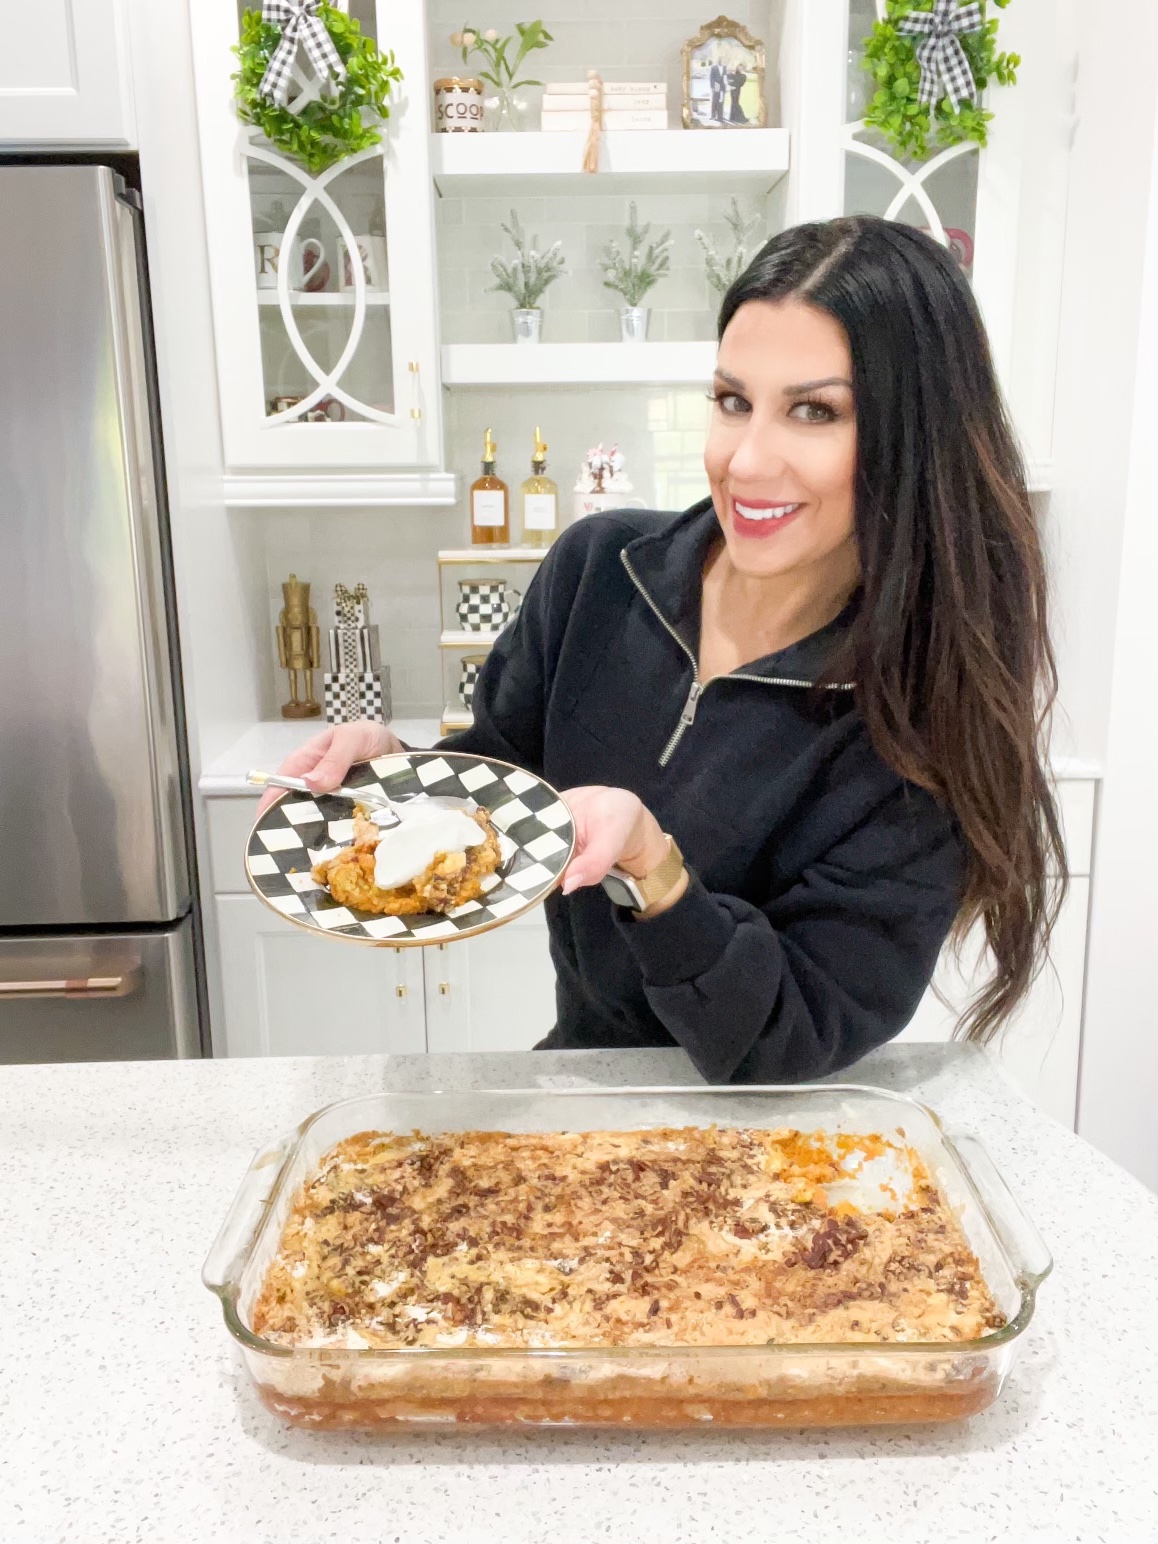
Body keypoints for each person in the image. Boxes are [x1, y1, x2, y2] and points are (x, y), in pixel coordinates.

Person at [268, 217, 1065, 1085]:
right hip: (584, 1087)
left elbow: (792, 1033)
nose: (747, 460)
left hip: (776, 1146)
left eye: (815, 411)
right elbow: (497, 797)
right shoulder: (599, 573)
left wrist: (656, 872)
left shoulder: (918, 717)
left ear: (915, 443)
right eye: (732, 401)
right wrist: (397, 777)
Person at [708, 58, 726, 124]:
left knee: (721, 100)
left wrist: (726, 86)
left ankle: (720, 117)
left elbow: (725, 77)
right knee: (715, 100)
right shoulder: (714, 67)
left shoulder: (724, 67)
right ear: (717, 60)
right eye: (719, 60)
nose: (720, 61)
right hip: (716, 84)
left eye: (721, 60)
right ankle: (713, 116)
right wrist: (712, 87)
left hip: (723, 85)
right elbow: (711, 77)